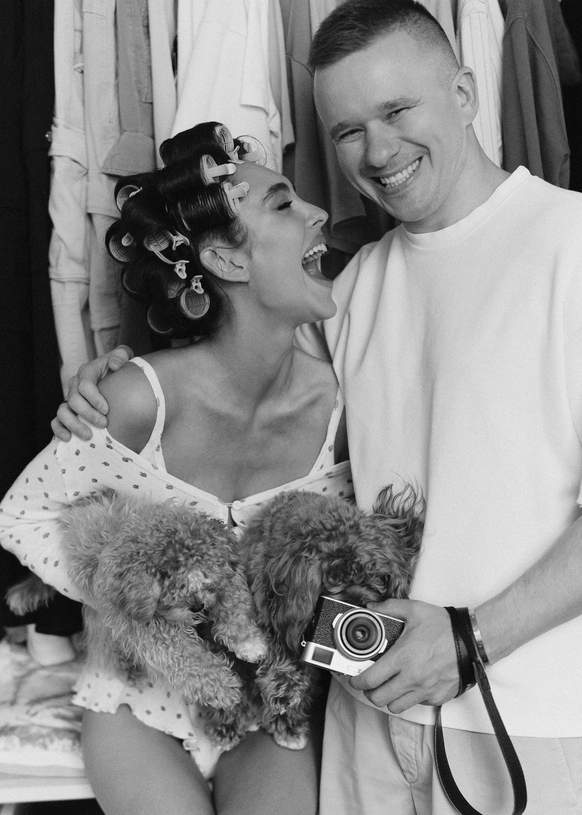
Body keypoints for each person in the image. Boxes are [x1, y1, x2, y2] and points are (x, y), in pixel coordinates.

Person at [55, 2, 582, 814]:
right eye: (347, 131)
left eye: (398, 111)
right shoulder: (352, 287)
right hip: (365, 722)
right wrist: (117, 384)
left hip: (531, 721)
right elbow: (233, 382)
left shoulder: (569, 245)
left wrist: (470, 639)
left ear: (466, 93)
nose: (379, 151)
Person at [0, 121, 352, 815]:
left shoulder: (344, 410)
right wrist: (135, 595)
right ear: (225, 259)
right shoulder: (140, 399)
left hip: (267, 709)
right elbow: (21, 515)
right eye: (284, 204)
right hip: (136, 703)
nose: (318, 213)